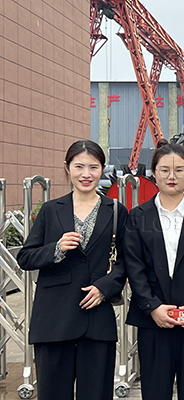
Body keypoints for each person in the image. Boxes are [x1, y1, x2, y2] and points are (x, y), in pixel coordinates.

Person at [17, 140, 127, 400]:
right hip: (54, 320)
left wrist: (105, 287)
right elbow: (25, 257)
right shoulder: (50, 210)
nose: (86, 174)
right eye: (79, 166)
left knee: (97, 394)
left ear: (102, 169)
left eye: (93, 167)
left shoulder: (115, 211)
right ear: (66, 168)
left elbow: (127, 262)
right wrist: (56, 248)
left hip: (96, 319)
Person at [123, 139, 184, 400]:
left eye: (179, 170)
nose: (172, 176)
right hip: (154, 318)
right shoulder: (138, 216)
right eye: (164, 169)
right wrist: (152, 307)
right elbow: (134, 267)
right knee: (155, 391)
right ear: (154, 172)